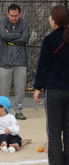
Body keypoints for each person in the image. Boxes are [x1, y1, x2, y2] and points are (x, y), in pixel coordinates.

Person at [33, 5, 69, 165]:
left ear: (55, 20)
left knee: (54, 132)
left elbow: (43, 66)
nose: (49, 19)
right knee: (68, 131)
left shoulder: (50, 39)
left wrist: (37, 87)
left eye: (50, 16)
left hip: (54, 91)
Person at [0, 4, 30, 120]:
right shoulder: (3, 22)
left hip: (20, 61)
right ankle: (4, 110)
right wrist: (18, 36)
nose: (13, 18)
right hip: (5, 61)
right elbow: (3, 35)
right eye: (11, 16)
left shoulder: (25, 23)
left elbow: (25, 38)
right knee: (4, 88)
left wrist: (9, 37)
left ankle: (19, 110)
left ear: (20, 14)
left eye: (16, 16)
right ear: (8, 14)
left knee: (20, 88)